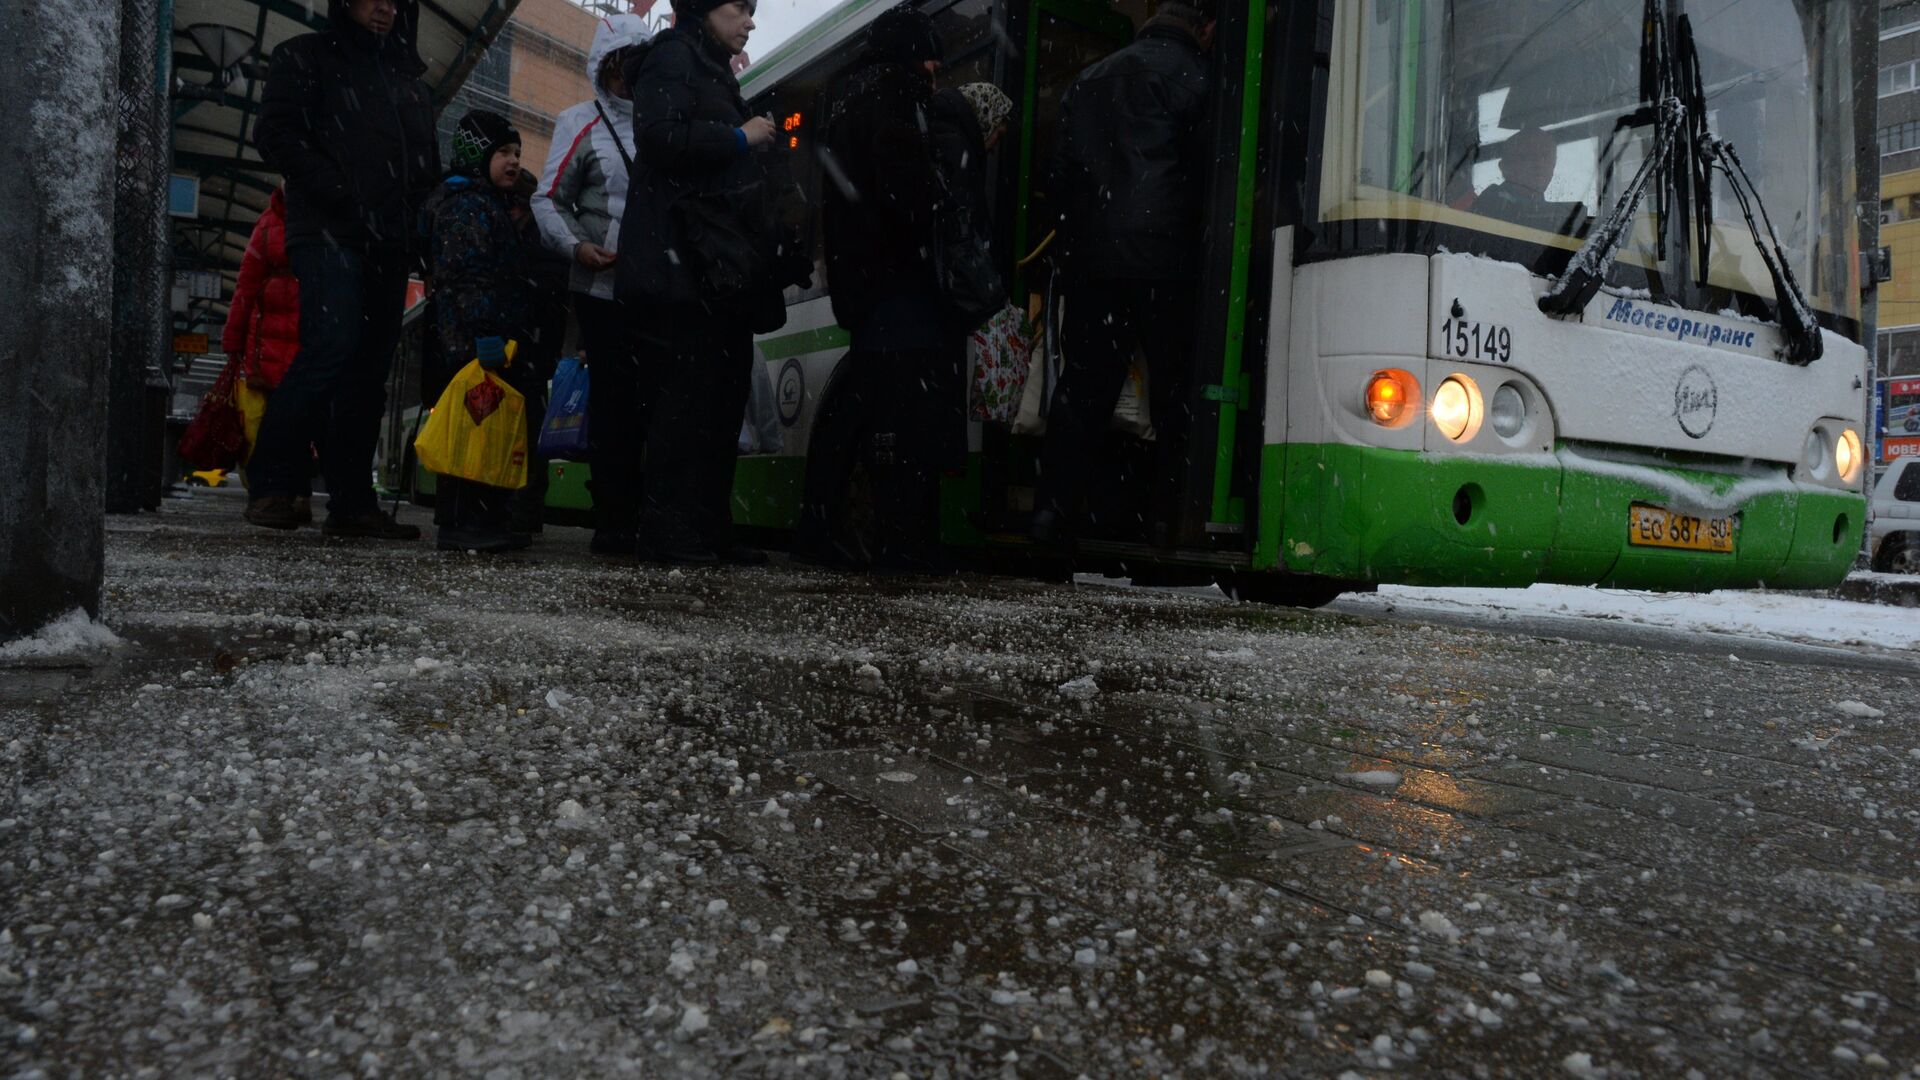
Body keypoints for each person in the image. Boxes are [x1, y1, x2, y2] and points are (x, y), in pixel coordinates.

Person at [616, 0, 805, 565]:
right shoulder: (672, 55)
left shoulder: (715, 69)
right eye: (739, 8)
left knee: (722, 403)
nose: (749, 21)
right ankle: (671, 533)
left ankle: (707, 530)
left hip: (716, 271)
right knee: (687, 406)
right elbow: (658, 136)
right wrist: (741, 138)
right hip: (683, 265)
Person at [247, 0, 438, 539]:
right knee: (330, 345)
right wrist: (338, 190)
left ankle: (353, 502)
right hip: (330, 230)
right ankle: (274, 483)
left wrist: (419, 224)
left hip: (390, 240)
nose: (385, 8)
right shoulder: (305, 58)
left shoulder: (407, 80)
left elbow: (425, 163)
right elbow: (276, 133)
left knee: (368, 371)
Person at [1032, 0, 1214, 552]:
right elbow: (1209, 178)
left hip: (1093, 264)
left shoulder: (1089, 79)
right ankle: (1165, 521)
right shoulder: (1201, 79)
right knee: (1174, 394)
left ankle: (1050, 516)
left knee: (1083, 392)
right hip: (1166, 262)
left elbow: (1057, 178)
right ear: (1204, 29)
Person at [815, 7, 967, 573]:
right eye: (932, 55)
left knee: (879, 421)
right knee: (911, 426)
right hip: (902, 287)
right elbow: (906, 195)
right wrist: (937, 203)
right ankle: (909, 544)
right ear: (911, 52)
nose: (935, 69)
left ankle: (878, 535)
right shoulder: (898, 98)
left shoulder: (846, 98)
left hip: (865, 288)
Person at [531, 14, 656, 556]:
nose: (629, 74)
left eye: (638, 62)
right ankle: (614, 517)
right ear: (603, 67)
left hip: (660, 287)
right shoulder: (577, 120)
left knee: (656, 402)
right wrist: (579, 247)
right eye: (620, 63)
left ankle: (654, 513)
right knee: (615, 402)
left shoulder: (666, 119)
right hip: (603, 289)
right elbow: (547, 199)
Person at [425, 110, 535, 553]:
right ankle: (466, 524)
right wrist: (484, 336)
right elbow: (468, 279)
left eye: (517, 153)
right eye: (504, 152)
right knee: (474, 433)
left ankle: (480, 520)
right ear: (476, 153)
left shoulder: (481, 201)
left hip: (479, 341)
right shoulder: (468, 205)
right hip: (472, 345)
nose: (513, 161)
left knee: (482, 431)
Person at [221, 185, 313, 524]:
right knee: (284, 417)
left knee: (290, 417)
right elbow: (246, 284)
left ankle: (284, 491)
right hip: (275, 340)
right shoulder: (270, 223)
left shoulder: (272, 224)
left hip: (290, 337)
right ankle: (282, 491)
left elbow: (247, 285)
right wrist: (234, 339)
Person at [1470, 127, 1585, 234]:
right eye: (1527, 156)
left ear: (1554, 164)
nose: (1539, 164)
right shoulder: (1490, 205)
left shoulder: (1560, 216)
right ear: (1505, 167)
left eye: (1545, 156)